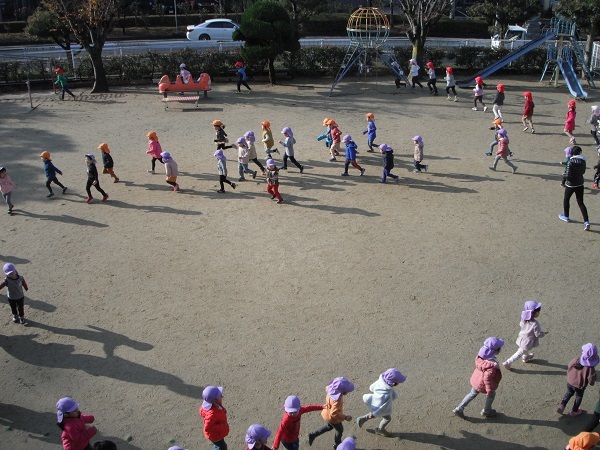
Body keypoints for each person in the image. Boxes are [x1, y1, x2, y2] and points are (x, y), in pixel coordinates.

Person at [452, 337, 504, 418]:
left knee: (472, 393)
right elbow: (487, 379)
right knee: (491, 395)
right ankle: (487, 411)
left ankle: (459, 408)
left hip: (476, 380)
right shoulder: (491, 366)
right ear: (496, 351)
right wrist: (489, 390)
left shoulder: (480, 357)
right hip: (483, 384)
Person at [356, 368, 406, 436]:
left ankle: (362, 419)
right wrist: (375, 414)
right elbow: (384, 407)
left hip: (374, 401)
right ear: (394, 383)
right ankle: (380, 430)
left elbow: (371, 387)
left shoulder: (381, 381)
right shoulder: (387, 394)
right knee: (387, 418)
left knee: (374, 412)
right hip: (380, 407)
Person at [308, 377, 354, 449]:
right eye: (347, 390)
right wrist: (345, 417)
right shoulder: (337, 400)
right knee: (339, 430)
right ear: (343, 391)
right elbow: (334, 413)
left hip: (326, 413)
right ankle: (337, 444)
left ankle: (313, 434)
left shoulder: (330, 390)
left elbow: (327, 388)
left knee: (329, 427)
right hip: (332, 418)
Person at [503, 300, 546, 370]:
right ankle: (508, 362)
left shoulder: (524, 320)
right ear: (533, 313)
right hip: (527, 342)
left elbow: (521, 325)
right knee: (519, 352)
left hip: (521, 338)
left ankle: (525, 357)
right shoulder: (535, 324)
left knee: (524, 350)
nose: (539, 313)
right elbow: (538, 335)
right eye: (538, 312)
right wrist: (543, 334)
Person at [557, 343, 598, 416]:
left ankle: (562, 405)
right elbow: (591, 379)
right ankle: (574, 410)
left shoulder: (576, 359)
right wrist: (591, 383)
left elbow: (569, 365)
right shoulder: (590, 368)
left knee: (569, 393)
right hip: (579, 385)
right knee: (579, 396)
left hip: (570, 381)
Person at [558, 145, 590, 231]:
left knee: (566, 199)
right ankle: (586, 222)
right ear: (580, 152)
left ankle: (566, 216)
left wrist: (564, 176)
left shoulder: (570, 162)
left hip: (571, 185)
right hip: (580, 184)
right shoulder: (583, 161)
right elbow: (583, 171)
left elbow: (568, 175)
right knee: (581, 203)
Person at [199, 386, 229, 450]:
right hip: (215, 435)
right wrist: (222, 426)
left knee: (220, 445)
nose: (221, 396)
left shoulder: (211, 404)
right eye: (220, 395)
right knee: (222, 447)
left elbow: (219, 408)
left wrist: (223, 410)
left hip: (217, 433)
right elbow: (208, 428)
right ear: (215, 400)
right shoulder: (212, 414)